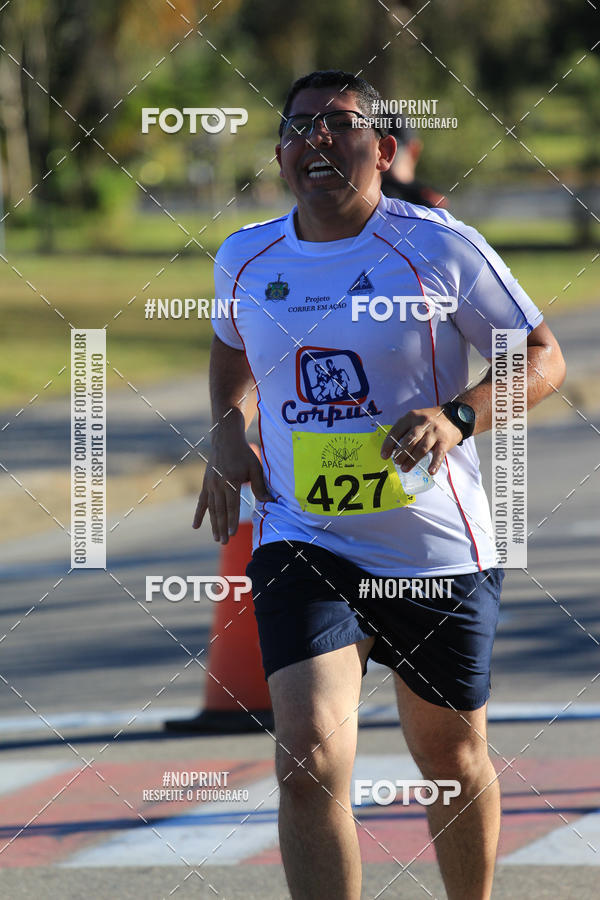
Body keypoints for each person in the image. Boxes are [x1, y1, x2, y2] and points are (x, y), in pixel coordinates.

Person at [193, 70, 565, 900]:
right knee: (307, 760)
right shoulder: (246, 256)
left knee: (449, 754)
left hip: (434, 544)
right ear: (282, 154)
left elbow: (542, 358)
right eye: (297, 128)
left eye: (338, 125)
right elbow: (233, 350)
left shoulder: (438, 245)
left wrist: (457, 418)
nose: (314, 140)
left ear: (385, 150)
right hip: (305, 536)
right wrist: (226, 428)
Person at [381, 116, 448, 209]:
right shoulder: (429, 198)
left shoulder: (429, 198)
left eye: (392, 150)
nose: (384, 157)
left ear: (414, 150)